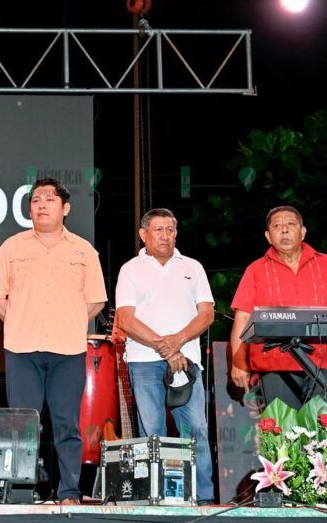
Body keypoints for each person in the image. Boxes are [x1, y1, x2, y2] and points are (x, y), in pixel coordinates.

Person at [0, 178, 107, 505]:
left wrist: (73, 321)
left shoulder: (83, 250)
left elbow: (96, 300)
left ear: (65, 208)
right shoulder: (12, 247)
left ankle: (68, 492)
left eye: (49, 200)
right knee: (23, 424)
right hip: (22, 349)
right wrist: (16, 319)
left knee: (67, 424)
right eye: (35, 200)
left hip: (67, 350)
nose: (41, 205)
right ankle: (21, 491)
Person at [115, 208, 215, 503]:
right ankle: (154, 497)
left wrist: (177, 343)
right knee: (152, 430)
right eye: (158, 230)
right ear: (143, 234)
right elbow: (126, 319)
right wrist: (164, 347)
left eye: (170, 229)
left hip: (187, 360)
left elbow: (207, 313)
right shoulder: (130, 269)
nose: (165, 235)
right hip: (144, 361)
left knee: (194, 428)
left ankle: (204, 498)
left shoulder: (193, 267)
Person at [229, 206, 327, 409]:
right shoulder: (255, 270)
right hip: (275, 365)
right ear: (268, 236)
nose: (284, 230)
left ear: (303, 231)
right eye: (277, 226)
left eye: (291, 224)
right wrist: (239, 363)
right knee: (283, 433)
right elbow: (243, 318)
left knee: (324, 433)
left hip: (324, 363)